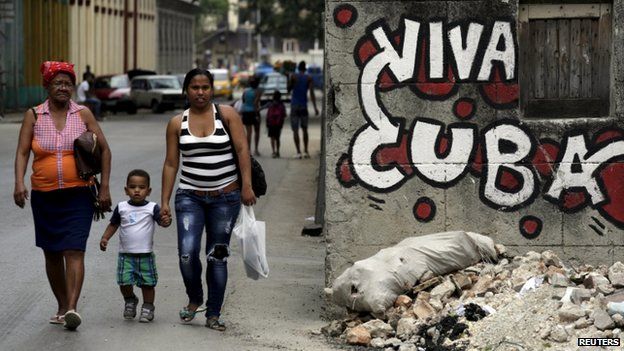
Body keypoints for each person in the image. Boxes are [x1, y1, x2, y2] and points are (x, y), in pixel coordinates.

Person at [13, 61, 112, 330]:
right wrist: (18, 183)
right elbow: (23, 152)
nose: (63, 88)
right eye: (58, 83)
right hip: (44, 195)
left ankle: (72, 308)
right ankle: (60, 304)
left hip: (78, 194)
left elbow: (104, 150)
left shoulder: (83, 114)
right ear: (47, 86)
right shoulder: (34, 115)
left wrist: (104, 188)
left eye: (68, 83)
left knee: (74, 250)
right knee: (52, 252)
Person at [160, 68, 256, 331]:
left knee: (217, 255)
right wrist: (165, 201)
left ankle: (213, 313)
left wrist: (246, 186)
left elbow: (242, 150)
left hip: (226, 197)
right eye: (194, 87)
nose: (200, 92)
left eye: (205, 87)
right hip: (189, 197)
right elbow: (171, 164)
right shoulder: (176, 123)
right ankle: (195, 298)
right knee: (187, 254)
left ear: (212, 89)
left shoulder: (227, 115)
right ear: (186, 90)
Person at [99, 169, 172, 323]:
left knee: (148, 283)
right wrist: (105, 237)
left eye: (141, 187)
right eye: (132, 187)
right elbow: (114, 224)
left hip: (145, 254)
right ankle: (130, 300)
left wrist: (166, 221)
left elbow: (162, 222)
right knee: (124, 282)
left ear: (148, 190)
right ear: (126, 190)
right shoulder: (122, 207)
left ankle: (148, 307)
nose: (137, 190)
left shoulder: (152, 207)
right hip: (125, 255)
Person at [288, 60, 319, 159]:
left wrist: (290, 79)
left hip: (294, 105)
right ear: (305, 68)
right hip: (303, 106)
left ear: (298, 68)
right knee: (305, 129)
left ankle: (298, 152)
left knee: (295, 130)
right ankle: (305, 151)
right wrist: (315, 108)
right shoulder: (308, 78)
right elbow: (312, 93)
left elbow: (288, 89)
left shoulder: (293, 76)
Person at [240, 75, 262, 156]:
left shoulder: (245, 91)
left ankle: (248, 150)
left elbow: (243, 100)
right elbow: (255, 103)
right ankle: (256, 150)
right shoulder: (257, 92)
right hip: (254, 112)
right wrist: (257, 114)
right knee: (257, 131)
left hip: (245, 112)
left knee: (249, 133)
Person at [266, 90, 286, 158]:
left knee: (272, 138)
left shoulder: (270, 104)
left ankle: (273, 151)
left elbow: (268, 114)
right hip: (278, 124)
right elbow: (284, 114)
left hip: (271, 123)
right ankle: (278, 151)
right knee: (277, 138)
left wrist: (267, 122)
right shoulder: (281, 104)